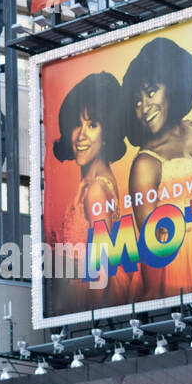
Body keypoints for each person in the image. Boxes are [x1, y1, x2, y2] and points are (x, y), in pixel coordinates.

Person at [123, 36, 192, 299]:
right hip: (184, 268)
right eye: (136, 102)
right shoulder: (145, 163)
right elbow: (152, 248)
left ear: (172, 84)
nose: (144, 107)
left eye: (150, 91)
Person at [49, 72, 132, 309]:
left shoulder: (96, 189)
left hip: (88, 307)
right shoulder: (90, 184)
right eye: (77, 124)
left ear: (107, 133)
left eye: (92, 125)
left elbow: (102, 271)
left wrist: (93, 318)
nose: (81, 135)